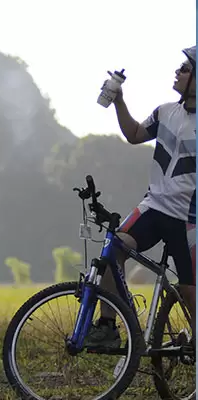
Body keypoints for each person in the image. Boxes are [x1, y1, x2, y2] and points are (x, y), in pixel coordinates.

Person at [84, 46, 196, 349]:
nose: (178, 71)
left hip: (188, 219)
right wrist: (119, 100)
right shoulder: (165, 111)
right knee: (114, 250)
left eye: (185, 68)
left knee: (189, 288)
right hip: (154, 206)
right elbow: (134, 133)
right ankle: (108, 325)